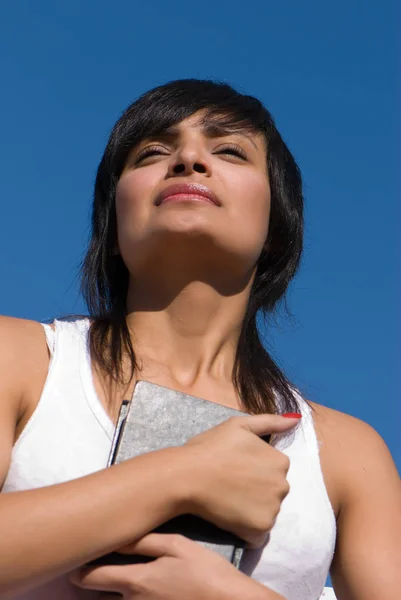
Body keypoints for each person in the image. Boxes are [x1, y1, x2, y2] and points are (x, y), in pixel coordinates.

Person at [0, 79, 399, 600]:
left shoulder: (348, 454)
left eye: (229, 150)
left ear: (278, 225)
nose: (189, 159)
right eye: (153, 152)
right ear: (113, 222)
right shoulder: (21, 359)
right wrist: (179, 476)